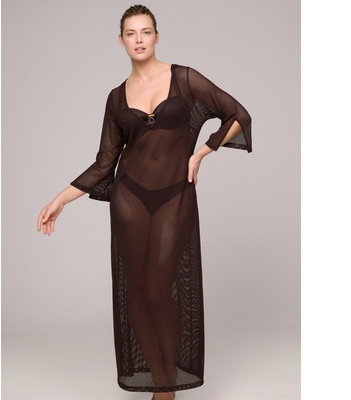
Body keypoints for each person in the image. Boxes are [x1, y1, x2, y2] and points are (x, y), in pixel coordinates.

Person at [37, 4, 252, 400]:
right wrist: (61, 199)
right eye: (131, 33)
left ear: (156, 36)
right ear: (120, 41)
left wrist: (201, 152)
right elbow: (105, 161)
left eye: (146, 32)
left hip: (175, 195)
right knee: (136, 291)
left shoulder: (184, 78)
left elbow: (238, 114)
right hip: (129, 196)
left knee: (158, 290)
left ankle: (166, 380)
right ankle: (162, 385)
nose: (139, 40)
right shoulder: (116, 97)